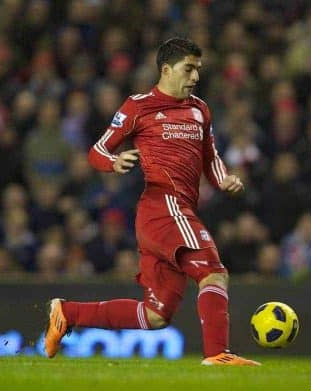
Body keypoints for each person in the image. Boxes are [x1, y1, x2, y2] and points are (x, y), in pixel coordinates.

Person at [44, 38, 259, 366]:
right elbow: (97, 151)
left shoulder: (200, 109)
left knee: (156, 315)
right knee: (214, 273)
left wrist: (224, 179)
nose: (195, 77)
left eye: (198, 70)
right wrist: (114, 163)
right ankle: (218, 355)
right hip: (163, 206)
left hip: (172, 214)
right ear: (166, 69)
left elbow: (210, 157)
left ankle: (66, 312)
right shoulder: (138, 106)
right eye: (189, 69)